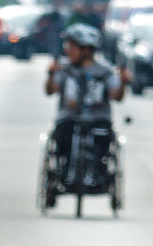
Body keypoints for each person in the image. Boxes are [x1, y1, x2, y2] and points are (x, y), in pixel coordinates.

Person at [43, 24, 126, 183]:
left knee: (103, 140)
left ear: (87, 50)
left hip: (98, 119)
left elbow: (116, 96)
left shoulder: (105, 71)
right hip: (68, 118)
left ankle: (97, 172)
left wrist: (123, 83)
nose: (67, 50)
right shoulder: (64, 69)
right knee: (61, 138)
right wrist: (51, 74)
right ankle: (64, 171)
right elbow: (51, 90)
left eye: (72, 46)